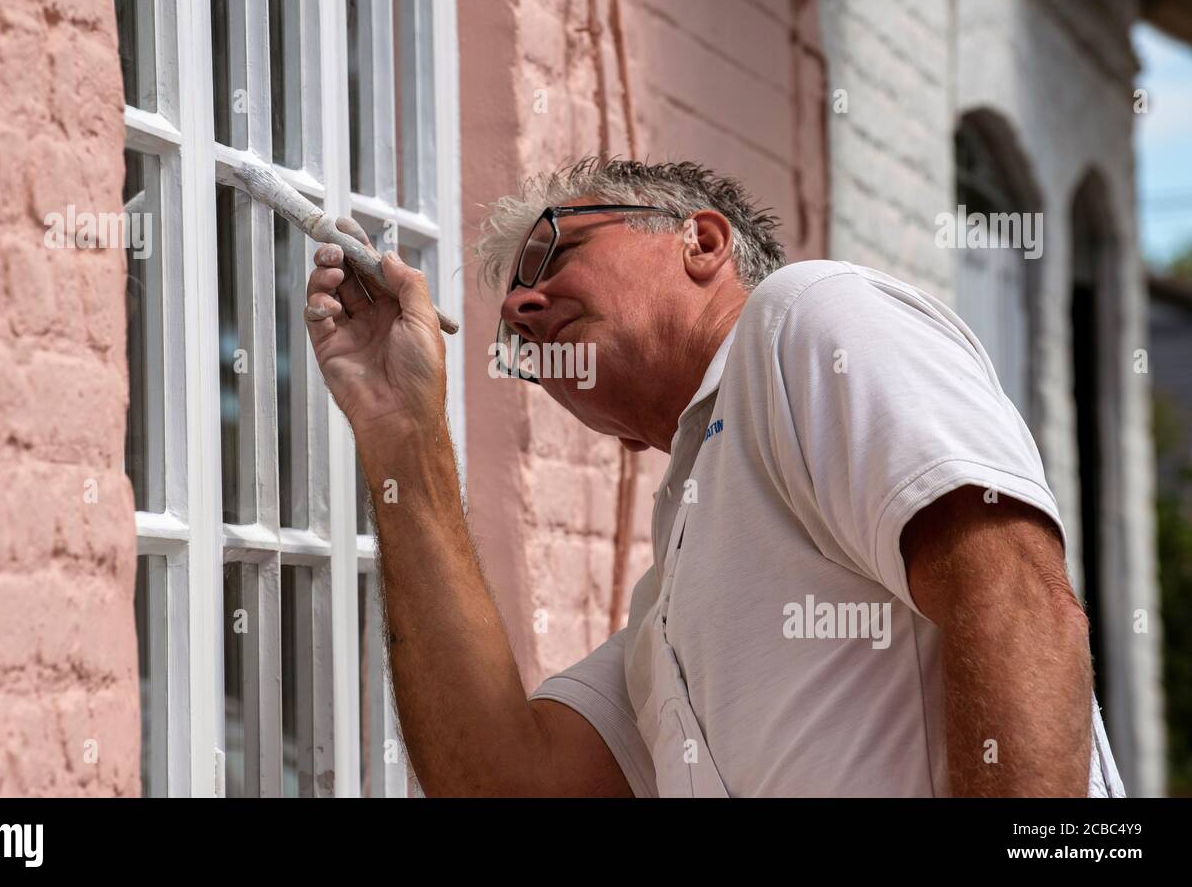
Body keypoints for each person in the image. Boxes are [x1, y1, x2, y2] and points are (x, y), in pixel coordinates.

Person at [302, 158, 1124, 797]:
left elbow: (1015, 600)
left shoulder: (804, 318)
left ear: (702, 241)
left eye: (553, 250)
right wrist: (404, 434)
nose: (522, 310)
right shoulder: (666, 616)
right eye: (516, 340)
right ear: (621, 440)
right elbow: (505, 779)